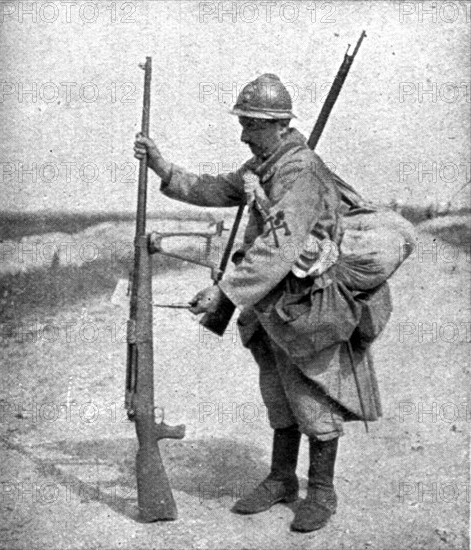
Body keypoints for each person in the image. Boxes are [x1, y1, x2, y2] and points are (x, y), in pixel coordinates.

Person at [133, 73, 382, 533]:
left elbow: (276, 247)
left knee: (311, 396)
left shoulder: (300, 172)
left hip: (305, 305)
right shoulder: (265, 165)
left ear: (276, 125)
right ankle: (282, 478)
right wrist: (163, 167)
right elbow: (213, 189)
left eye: (250, 124)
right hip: (269, 306)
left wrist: (224, 292)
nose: (243, 134)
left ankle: (322, 492)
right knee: (279, 394)